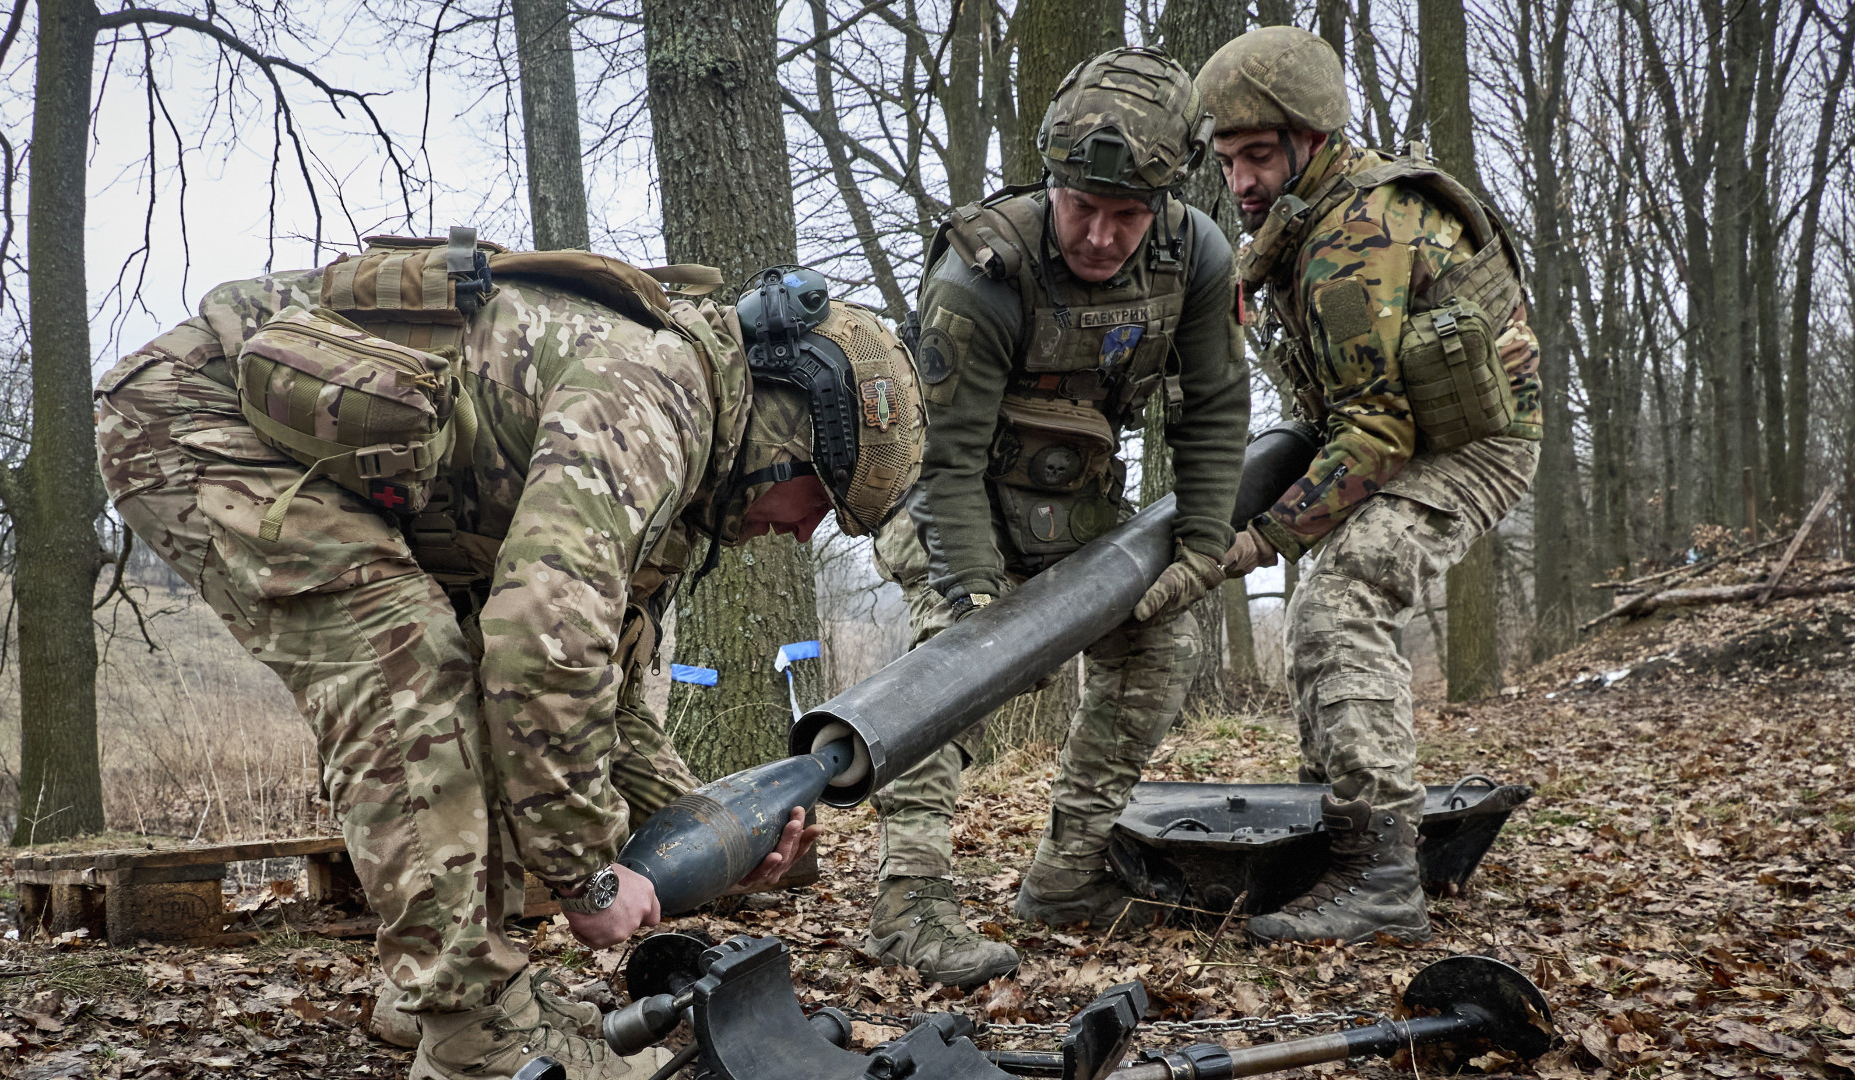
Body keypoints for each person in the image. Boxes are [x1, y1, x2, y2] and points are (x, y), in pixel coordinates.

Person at [94, 241, 925, 1080]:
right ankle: (476, 1036)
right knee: (405, 661)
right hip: (195, 415)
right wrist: (588, 880)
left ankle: (450, 995)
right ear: (782, 433)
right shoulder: (650, 402)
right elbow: (538, 661)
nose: (801, 532)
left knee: (451, 666)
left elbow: (603, 701)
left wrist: (713, 833)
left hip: (301, 450)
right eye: (819, 499)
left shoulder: (681, 460)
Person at [865, 45, 1251, 989]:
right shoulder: (982, 274)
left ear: (1161, 205)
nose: (1101, 237)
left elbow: (1214, 406)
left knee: (1162, 648)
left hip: (1078, 505)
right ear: (1053, 185)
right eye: (1084, 209)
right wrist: (982, 604)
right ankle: (909, 905)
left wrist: (1200, 546)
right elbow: (940, 459)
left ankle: (1067, 875)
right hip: (954, 509)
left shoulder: (1194, 252)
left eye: (1127, 216)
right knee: (947, 677)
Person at [1195, 26, 1542, 944]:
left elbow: (1378, 430)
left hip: (1475, 446)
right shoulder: (1305, 221)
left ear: (1310, 139)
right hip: (1417, 434)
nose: (1241, 182)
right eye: (1227, 161)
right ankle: (1337, 835)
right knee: (1328, 597)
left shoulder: (1354, 235)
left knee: (1340, 600)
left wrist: (1266, 537)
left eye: (1259, 156)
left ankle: (1382, 876)